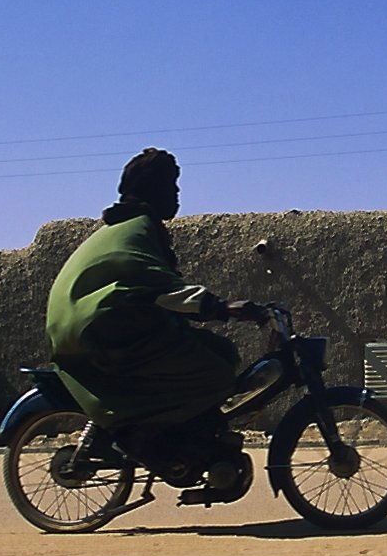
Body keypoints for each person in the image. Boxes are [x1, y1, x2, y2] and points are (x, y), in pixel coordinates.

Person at [45, 147, 263, 460]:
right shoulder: (138, 230)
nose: (177, 194)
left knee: (219, 350)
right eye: (171, 186)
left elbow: (152, 287)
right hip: (102, 332)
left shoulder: (125, 228)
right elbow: (158, 287)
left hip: (103, 326)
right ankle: (147, 441)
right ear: (153, 189)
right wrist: (221, 307)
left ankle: (185, 435)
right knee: (215, 374)